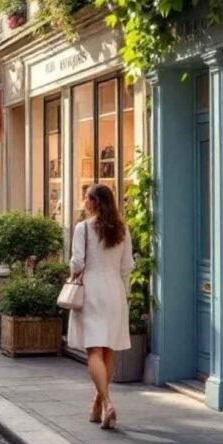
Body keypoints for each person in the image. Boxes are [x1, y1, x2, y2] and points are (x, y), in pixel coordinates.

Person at [67, 183, 134, 430]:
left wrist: (72, 271)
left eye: (86, 198)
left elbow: (77, 263)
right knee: (108, 349)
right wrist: (124, 294)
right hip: (115, 290)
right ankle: (97, 404)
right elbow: (127, 266)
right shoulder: (122, 229)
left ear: (94, 202)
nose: (84, 202)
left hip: (92, 290)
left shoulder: (83, 228)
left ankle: (106, 403)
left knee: (94, 350)